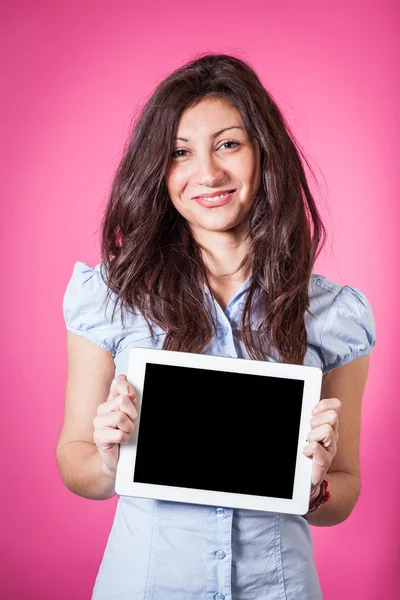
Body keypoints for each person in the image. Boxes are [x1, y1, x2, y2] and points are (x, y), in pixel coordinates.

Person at [56, 53, 376, 600]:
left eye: (229, 144)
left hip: (277, 588)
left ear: (262, 152)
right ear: (159, 170)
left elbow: (343, 491)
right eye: (180, 153)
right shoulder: (109, 296)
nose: (208, 173)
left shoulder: (334, 314)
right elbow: (74, 458)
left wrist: (315, 484)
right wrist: (109, 459)